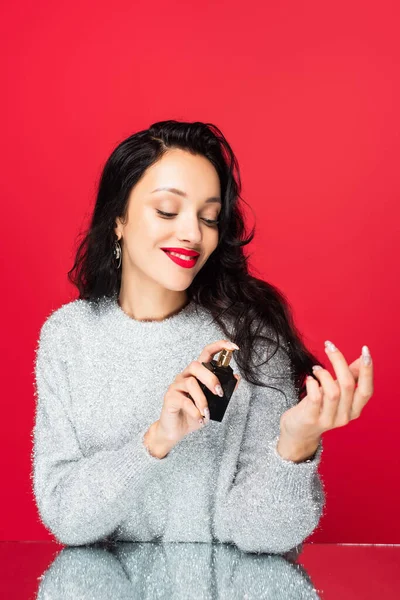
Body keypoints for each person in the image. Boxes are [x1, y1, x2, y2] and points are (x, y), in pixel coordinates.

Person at [32, 120, 374, 553]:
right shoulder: (69, 337)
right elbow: (65, 517)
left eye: (209, 217)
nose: (193, 233)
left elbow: (263, 536)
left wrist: (295, 445)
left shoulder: (250, 339)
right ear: (117, 219)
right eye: (167, 211)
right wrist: (157, 440)